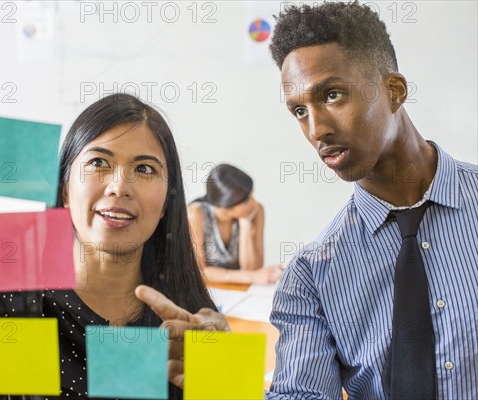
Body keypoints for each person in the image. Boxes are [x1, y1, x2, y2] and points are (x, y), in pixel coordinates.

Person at [139, 2, 477, 398]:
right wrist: (222, 371)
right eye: (299, 110)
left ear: (394, 90)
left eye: (332, 95)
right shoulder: (310, 277)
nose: (316, 129)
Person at [0, 93, 217, 400]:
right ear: (63, 191)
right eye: (98, 163)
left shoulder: (184, 314)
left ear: (165, 203)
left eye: (144, 169)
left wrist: (220, 374)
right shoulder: (16, 296)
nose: (120, 186)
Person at [188, 164, 282, 284]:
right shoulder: (195, 214)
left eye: (252, 195)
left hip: (239, 290)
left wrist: (246, 224)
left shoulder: (256, 211)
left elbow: (253, 269)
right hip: (209, 289)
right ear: (226, 205)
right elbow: (199, 272)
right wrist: (251, 277)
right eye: (246, 200)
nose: (253, 203)